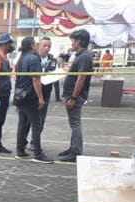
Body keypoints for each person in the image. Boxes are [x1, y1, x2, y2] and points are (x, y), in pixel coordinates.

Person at [14, 36, 52, 164]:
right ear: (32, 46)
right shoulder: (33, 59)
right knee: (36, 124)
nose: (37, 46)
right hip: (30, 96)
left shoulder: (21, 58)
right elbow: (36, 79)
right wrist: (40, 98)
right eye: (36, 44)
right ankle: (37, 153)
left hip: (20, 96)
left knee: (22, 124)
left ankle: (20, 151)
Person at [59, 29, 94, 162]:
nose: (72, 43)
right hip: (71, 95)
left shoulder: (84, 56)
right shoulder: (81, 55)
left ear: (78, 41)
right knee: (73, 123)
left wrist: (73, 98)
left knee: (75, 123)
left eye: (73, 41)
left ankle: (76, 151)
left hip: (75, 96)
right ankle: (72, 147)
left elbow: (81, 79)